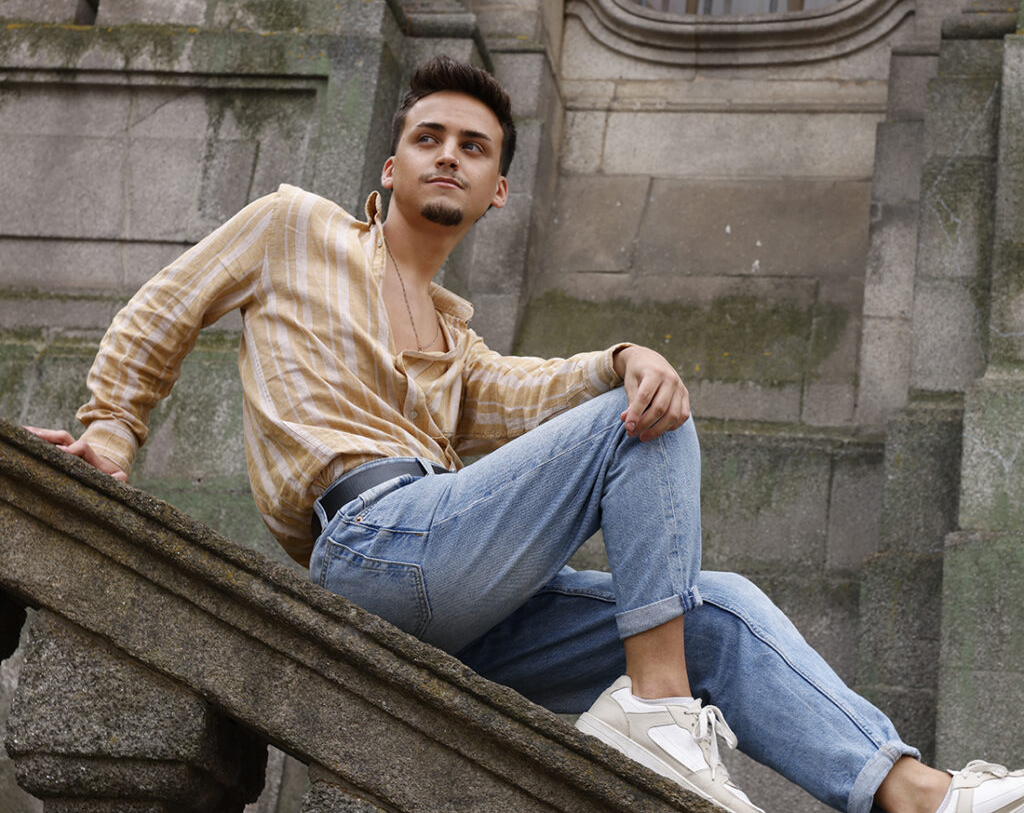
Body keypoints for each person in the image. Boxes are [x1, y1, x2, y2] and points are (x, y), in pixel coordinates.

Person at [25, 56, 1022, 813]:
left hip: (465, 593)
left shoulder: (457, 335)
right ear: (392, 161)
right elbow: (162, 310)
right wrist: (112, 432)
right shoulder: (296, 228)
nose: (449, 154)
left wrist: (624, 350)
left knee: (715, 603)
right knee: (643, 422)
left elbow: (521, 392)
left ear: (496, 187)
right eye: (430, 137)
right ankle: (658, 717)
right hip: (370, 542)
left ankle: (912, 791)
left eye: (473, 146)